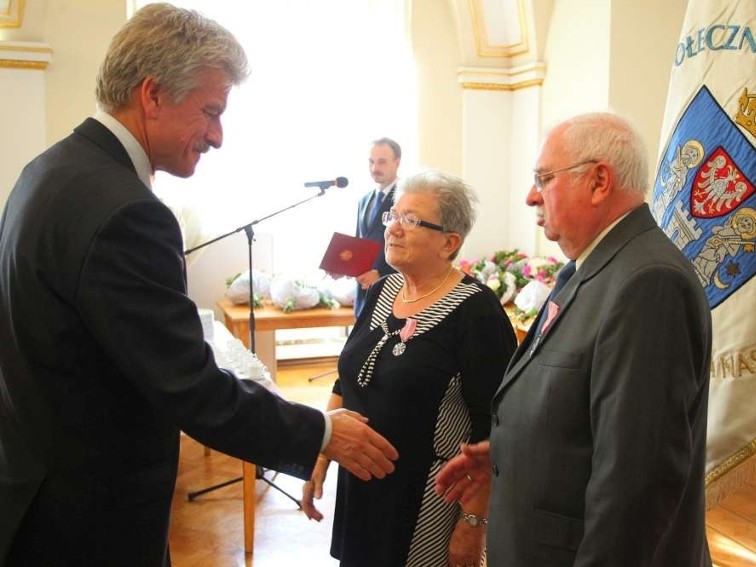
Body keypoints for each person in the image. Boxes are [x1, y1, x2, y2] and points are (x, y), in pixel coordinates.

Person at [0, 4, 397, 566]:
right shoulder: (127, 212)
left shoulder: (47, 170)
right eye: (210, 111)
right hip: (89, 522)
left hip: (34, 492)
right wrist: (319, 431)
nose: (217, 136)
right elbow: (191, 388)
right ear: (153, 94)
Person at [435, 113, 713, 566]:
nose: (531, 196)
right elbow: (583, 411)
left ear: (599, 181)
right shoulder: (591, 267)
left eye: (544, 178)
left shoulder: (647, 282)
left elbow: (636, 482)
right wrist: (515, 454)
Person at [302, 170, 517, 566]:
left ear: (449, 242)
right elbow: (348, 375)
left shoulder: (476, 312)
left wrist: (473, 522)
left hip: (427, 497)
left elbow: (496, 427)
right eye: (392, 216)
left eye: (411, 220)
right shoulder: (384, 289)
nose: (393, 229)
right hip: (361, 483)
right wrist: (322, 450)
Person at [353, 137, 401, 317]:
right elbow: (360, 243)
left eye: (381, 162)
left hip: (391, 292)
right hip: (362, 296)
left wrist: (381, 273)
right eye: (371, 162)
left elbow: (410, 247)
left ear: (397, 162)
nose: (375, 168)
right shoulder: (364, 200)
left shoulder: (405, 200)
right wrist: (343, 267)